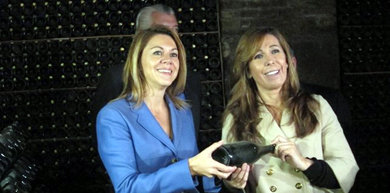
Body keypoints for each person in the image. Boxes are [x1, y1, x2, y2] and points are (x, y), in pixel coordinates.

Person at [96, 26, 240, 193]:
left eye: (173, 54)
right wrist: (189, 168)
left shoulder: (182, 107)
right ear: (138, 61)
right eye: (157, 52)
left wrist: (222, 176)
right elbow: (127, 188)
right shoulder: (113, 116)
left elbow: (197, 177)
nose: (168, 60)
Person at [220, 27, 359, 192]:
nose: (270, 60)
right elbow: (228, 177)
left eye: (275, 51)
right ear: (248, 71)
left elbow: (345, 170)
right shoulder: (236, 117)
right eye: (258, 56)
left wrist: (304, 163)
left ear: (287, 61)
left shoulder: (318, 106)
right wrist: (234, 184)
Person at [92, 4, 201, 142]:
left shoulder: (190, 80)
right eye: (161, 29)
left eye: (175, 30)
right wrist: (190, 165)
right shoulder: (116, 79)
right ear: (140, 36)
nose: (171, 36)